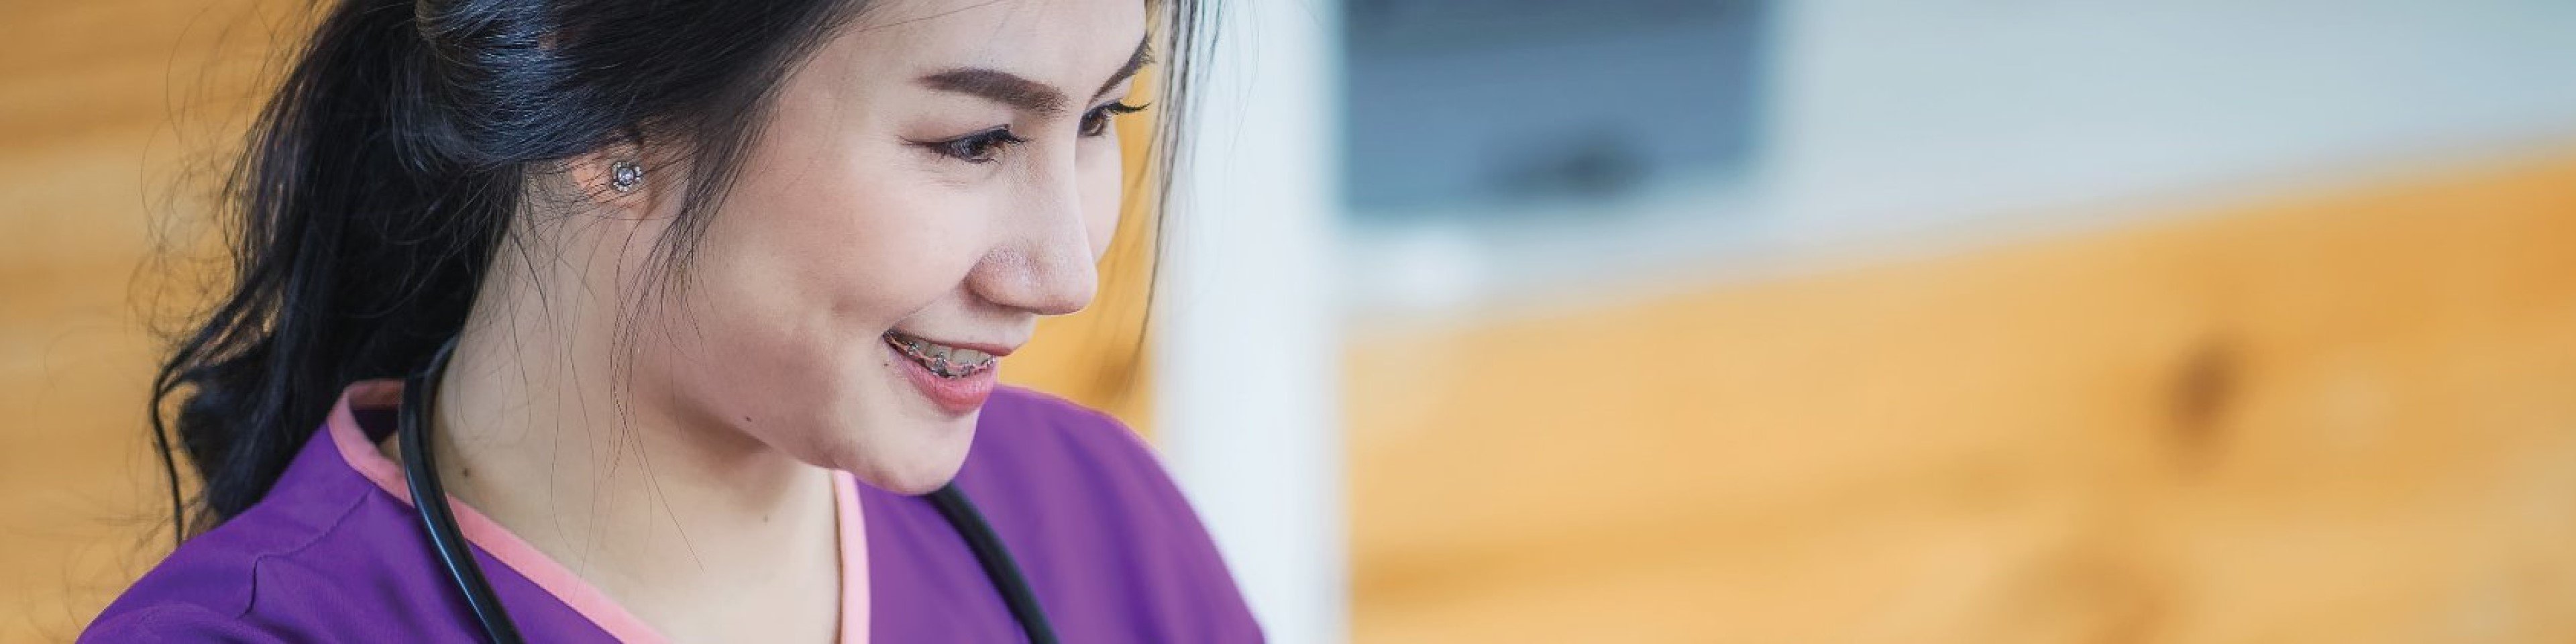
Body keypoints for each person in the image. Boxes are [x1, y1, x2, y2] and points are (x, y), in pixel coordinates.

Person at [81, 0, 1258, 640]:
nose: (1065, 274)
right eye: (973, 140)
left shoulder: (1096, 519)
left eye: (1103, 116)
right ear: (609, 106)